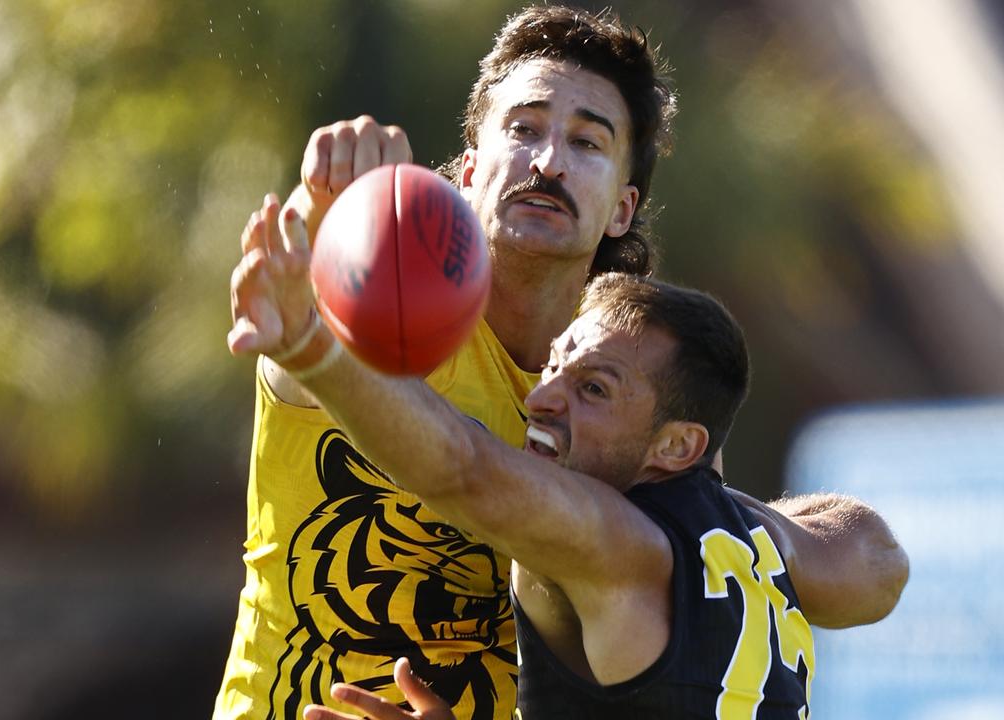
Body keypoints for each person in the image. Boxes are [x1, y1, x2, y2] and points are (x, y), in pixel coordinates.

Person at [216, 6, 908, 720]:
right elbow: (299, 290)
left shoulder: (635, 395)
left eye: (587, 142)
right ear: (470, 169)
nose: (548, 162)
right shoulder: (372, 307)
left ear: (622, 208)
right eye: (523, 129)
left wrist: (719, 534)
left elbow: (863, 574)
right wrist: (325, 195)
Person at [230, 213, 820, 716]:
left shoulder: (612, 542)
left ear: (676, 447)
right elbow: (876, 556)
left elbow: (463, 469)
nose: (540, 399)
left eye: (593, 389)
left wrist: (309, 342)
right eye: (554, 368)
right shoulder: (763, 545)